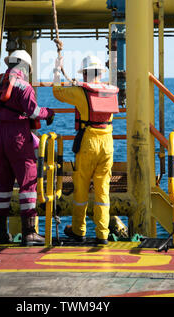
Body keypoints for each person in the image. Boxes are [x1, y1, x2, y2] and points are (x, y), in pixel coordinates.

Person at [0, 49, 55, 245]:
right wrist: (49, 113)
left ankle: (0, 234)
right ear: (26, 66)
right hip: (18, 137)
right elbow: (33, 112)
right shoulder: (24, 86)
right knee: (28, 183)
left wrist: (3, 121)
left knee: (2, 186)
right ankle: (30, 233)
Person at [52, 55, 119, 245]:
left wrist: (57, 70)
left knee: (81, 186)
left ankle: (79, 230)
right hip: (108, 142)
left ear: (85, 73)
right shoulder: (110, 90)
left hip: (88, 142)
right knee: (103, 190)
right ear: (100, 73)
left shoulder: (80, 92)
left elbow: (57, 92)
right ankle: (102, 234)